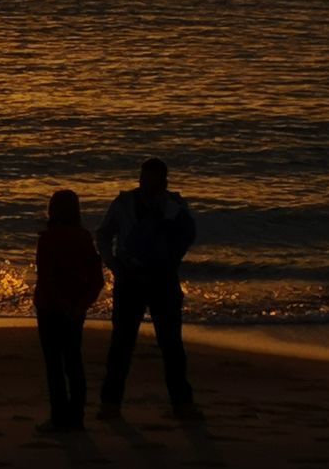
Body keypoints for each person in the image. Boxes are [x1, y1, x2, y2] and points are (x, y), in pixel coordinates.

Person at [96, 157, 202, 421]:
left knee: (171, 346)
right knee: (122, 344)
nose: (147, 185)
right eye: (145, 179)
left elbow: (189, 235)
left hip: (162, 279)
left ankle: (182, 405)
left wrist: (172, 256)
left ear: (164, 182)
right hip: (130, 278)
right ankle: (110, 405)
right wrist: (113, 264)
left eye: (153, 181)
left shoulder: (175, 206)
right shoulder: (124, 203)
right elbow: (104, 234)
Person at [33, 188, 105, 433]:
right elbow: (97, 280)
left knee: (54, 365)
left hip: (50, 308)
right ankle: (77, 418)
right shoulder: (84, 238)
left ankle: (59, 418)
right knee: (74, 362)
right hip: (75, 308)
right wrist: (80, 304)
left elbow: (46, 279)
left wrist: (64, 305)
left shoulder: (47, 239)